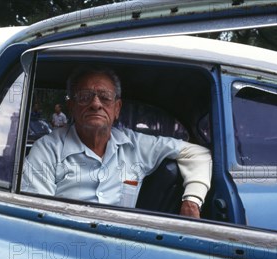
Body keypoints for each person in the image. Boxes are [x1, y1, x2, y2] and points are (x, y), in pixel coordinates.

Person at [22, 66, 212, 218]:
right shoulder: (47, 150)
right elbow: (38, 219)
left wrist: (192, 201)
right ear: (71, 106)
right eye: (85, 97)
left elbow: (198, 154)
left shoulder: (135, 146)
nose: (96, 104)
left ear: (117, 109)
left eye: (105, 97)